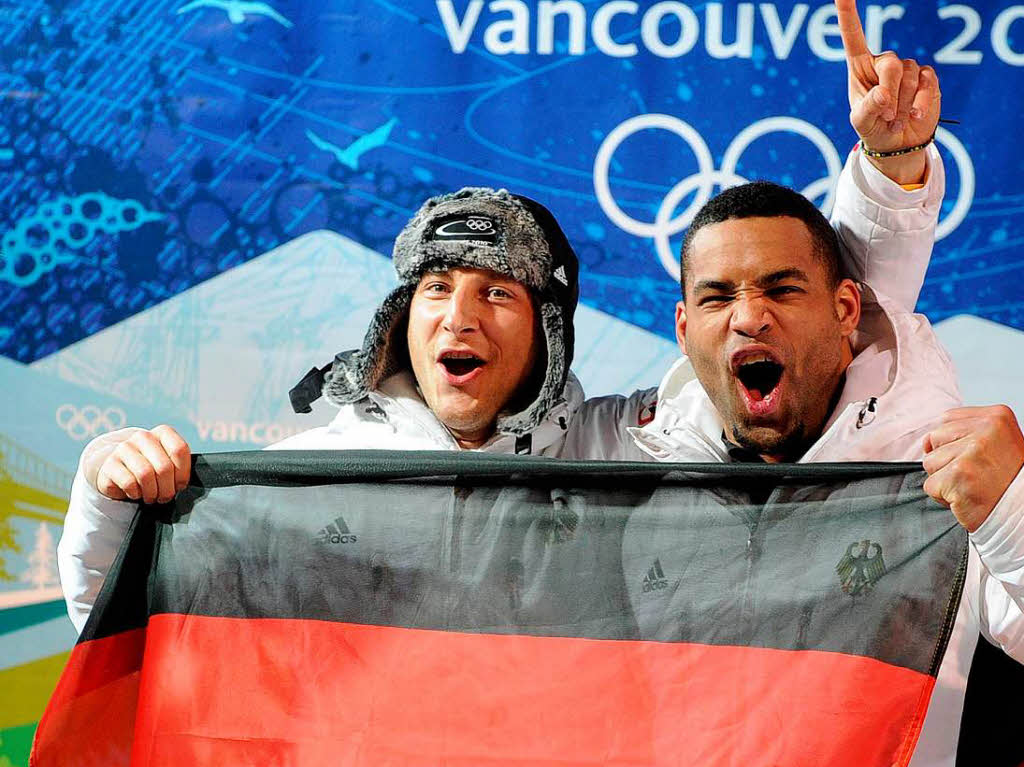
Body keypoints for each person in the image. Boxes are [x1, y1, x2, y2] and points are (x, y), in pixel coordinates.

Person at [57, 0, 946, 633]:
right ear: (402, 317)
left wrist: (889, 170)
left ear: (549, 328)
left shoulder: (616, 443)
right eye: (436, 288)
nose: (461, 315)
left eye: (498, 292)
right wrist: (107, 490)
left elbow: (824, 337)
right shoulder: (313, 475)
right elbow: (127, 614)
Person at [626, 176, 1024, 767]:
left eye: (782, 290)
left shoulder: (949, 490)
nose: (749, 317)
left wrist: (1013, 511)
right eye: (717, 298)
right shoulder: (635, 483)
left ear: (843, 310)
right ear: (684, 330)